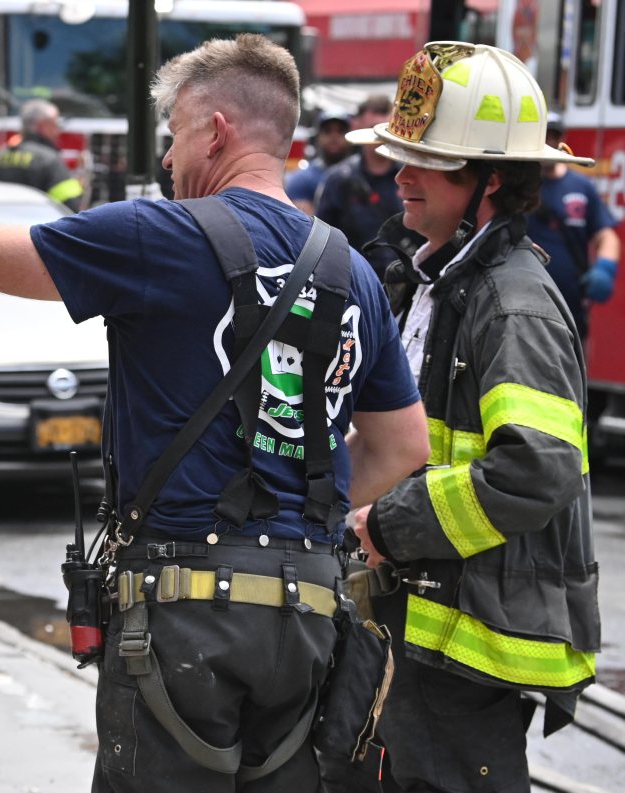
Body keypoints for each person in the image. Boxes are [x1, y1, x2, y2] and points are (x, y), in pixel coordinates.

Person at [0, 35, 428, 790]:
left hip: (186, 616)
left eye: (174, 134)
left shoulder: (164, 235)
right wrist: (303, 521)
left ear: (216, 130)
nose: (169, 161)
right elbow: (403, 444)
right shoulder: (353, 271)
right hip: (309, 617)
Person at [335, 42, 601, 792]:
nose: (401, 174)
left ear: (492, 180)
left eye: (429, 160)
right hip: (415, 623)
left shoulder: (511, 304)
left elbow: (535, 467)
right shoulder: (433, 279)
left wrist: (389, 522)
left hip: (469, 641)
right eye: (400, 154)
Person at [527, 112, 618, 340]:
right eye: (544, 136)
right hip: (524, 304)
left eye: (554, 136)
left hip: (571, 311)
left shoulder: (581, 186)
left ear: (561, 140)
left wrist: (604, 268)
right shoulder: (519, 187)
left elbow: (606, 236)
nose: (549, 142)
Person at [315, 94, 403, 275]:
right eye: (373, 129)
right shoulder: (339, 179)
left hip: (405, 285)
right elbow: (322, 240)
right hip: (356, 283)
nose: (379, 136)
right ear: (358, 126)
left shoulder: (408, 176)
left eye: (386, 128)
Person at [0, 99, 85, 212]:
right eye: (55, 125)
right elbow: (71, 206)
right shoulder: (49, 161)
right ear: (43, 126)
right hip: (32, 227)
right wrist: (79, 186)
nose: (58, 131)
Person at [285, 108, 351, 215]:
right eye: (328, 131)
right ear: (318, 136)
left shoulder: (360, 175)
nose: (334, 137)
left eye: (340, 131)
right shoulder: (302, 179)